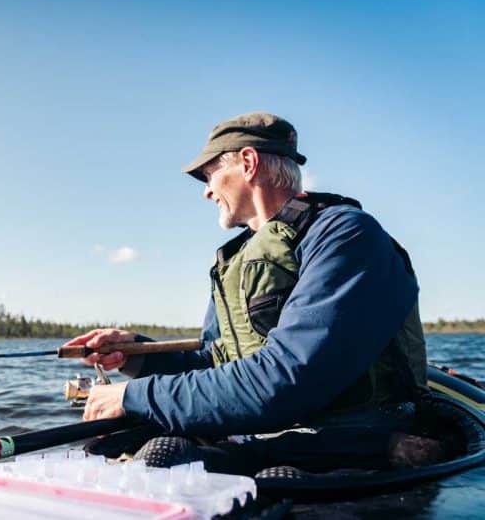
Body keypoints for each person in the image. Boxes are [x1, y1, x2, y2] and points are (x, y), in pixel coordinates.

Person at [64, 112, 432, 475]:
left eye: (210, 176)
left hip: (348, 441)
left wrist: (133, 396)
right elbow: (218, 367)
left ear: (248, 162)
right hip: (269, 437)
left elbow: (285, 380)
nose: (207, 191)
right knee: (122, 452)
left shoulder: (346, 235)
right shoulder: (235, 259)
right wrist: (135, 356)